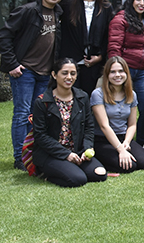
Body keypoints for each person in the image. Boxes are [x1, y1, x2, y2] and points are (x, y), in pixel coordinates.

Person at [0, 0, 66, 170]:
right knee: (21, 114)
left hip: (45, 73)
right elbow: (3, 36)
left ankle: (32, 154)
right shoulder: (28, 10)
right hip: (25, 72)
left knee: (35, 115)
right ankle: (20, 158)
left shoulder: (59, 13)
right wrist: (12, 64)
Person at [30, 59, 107, 187]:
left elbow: (89, 127)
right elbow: (41, 136)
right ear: (54, 75)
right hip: (51, 154)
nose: (69, 77)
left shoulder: (82, 97)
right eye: (64, 73)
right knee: (78, 179)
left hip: (77, 151)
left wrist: (88, 147)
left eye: (73, 73)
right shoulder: (42, 102)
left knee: (99, 174)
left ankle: (70, 169)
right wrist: (66, 155)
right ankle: (45, 173)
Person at [107, 0, 144, 145]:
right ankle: (116, 142)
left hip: (143, 71)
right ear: (131, 1)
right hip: (125, 70)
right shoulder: (121, 18)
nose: (142, 3)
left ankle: (141, 142)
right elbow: (114, 47)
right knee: (119, 109)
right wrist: (116, 71)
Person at [90, 57, 144, 173]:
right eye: (113, 72)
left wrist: (126, 143)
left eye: (121, 71)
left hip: (123, 137)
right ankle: (99, 159)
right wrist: (120, 150)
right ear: (107, 75)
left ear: (126, 73)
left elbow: (132, 124)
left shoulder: (131, 94)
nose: (117, 75)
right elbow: (104, 126)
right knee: (129, 166)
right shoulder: (98, 94)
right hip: (103, 139)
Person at [59, 0, 113, 94]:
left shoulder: (106, 7)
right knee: (70, 98)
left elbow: (108, 36)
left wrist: (100, 57)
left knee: (88, 100)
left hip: (93, 63)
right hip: (70, 61)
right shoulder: (67, 3)